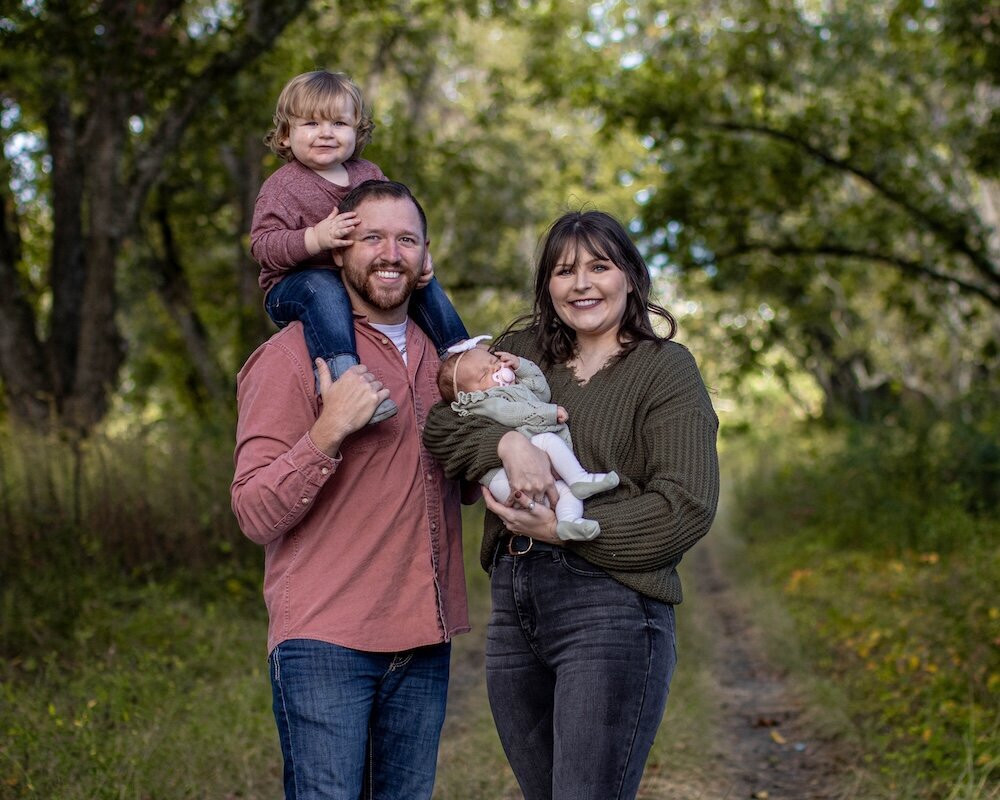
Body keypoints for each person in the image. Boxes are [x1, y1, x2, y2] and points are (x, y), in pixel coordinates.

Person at [423, 210, 720, 800]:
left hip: (612, 607)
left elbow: (686, 504)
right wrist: (507, 443)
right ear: (547, 287)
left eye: (598, 267)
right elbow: (442, 426)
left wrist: (567, 529)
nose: (581, 284)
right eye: (563, 271)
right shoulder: (518, 351)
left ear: (630, 277)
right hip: (513, 606)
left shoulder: (665, 369)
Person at [232, 180, 469, 800]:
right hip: (324, 641)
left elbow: (464, 482)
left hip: (423, 639)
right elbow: (254, 512)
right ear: (339, 250)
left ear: (425, 260)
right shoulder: (289, 357)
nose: (390, 253)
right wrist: (328, 429)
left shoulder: (448, 366)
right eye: (371, 238)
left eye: (406, 239)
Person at [251, 70, 468, 424]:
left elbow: (398, 219)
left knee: (419, 278)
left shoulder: (368, 174)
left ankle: (461, 354)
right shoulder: (283, 186)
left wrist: (419, 254)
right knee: (324, 287)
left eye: (338, 123)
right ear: (287, 135)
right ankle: (344, 378)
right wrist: (315, 238)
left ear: (357, 130)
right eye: (310, 124)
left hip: (354, 279)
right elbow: (263, 245)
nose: (325, 133)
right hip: (294, 286)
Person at [437, 335, 619, 541]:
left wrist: (521, 365)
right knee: (547, 440)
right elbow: (510, 413)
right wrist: (549, 414)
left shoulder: (515, 389)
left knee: (564, 494)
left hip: (532, 477)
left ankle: (568, 522)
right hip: (505, 479)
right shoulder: (485, 402)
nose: (496, 370)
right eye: (483, 375)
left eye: (494, 362)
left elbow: (541, 391)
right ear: (468, 394)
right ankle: (579, 477)